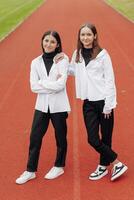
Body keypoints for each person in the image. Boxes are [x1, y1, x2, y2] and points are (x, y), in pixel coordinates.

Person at [69, 23, 128, 181]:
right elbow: (73, 70)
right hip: (88, 102)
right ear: (79, 37)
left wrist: (108, 106)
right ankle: (117, 162)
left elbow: (110, 80)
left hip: (104, 102)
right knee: (93, 139)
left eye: (89, 34)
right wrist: (59, 59)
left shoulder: (103, 55)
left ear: (95, 36)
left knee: (106, 137)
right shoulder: (77, 54)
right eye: (83, 35)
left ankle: (102, 167)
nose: (86, 38)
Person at [15, 30, 71, 184]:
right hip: (41, 106)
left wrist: (43, 83)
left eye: (52, 42)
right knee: (35, 137)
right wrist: (50, 84)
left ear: (57, 44)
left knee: (60, 137)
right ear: (42, 41)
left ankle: (59, 165)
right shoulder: (35, 62)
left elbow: (61, 85)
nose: (48, 44)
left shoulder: (63, 59)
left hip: (59, 106)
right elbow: (33, 87)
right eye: (46, 40)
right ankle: (30, 170)